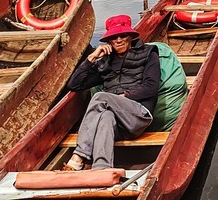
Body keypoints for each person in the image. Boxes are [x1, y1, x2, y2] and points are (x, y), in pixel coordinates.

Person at [63, 14, 162, 171]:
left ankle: (79, 156)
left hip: (138, 116)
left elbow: (151, 87)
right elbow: (74, 84)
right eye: (114, 37)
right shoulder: (104, 62)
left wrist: (123, 97)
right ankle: (101, 168)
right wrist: (91, 58)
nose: (119, 40)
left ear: (130, 36)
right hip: (117, 126)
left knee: (100, 97)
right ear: (109, 41)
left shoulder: (149, 54)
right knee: (106, 116)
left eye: (123, 35)